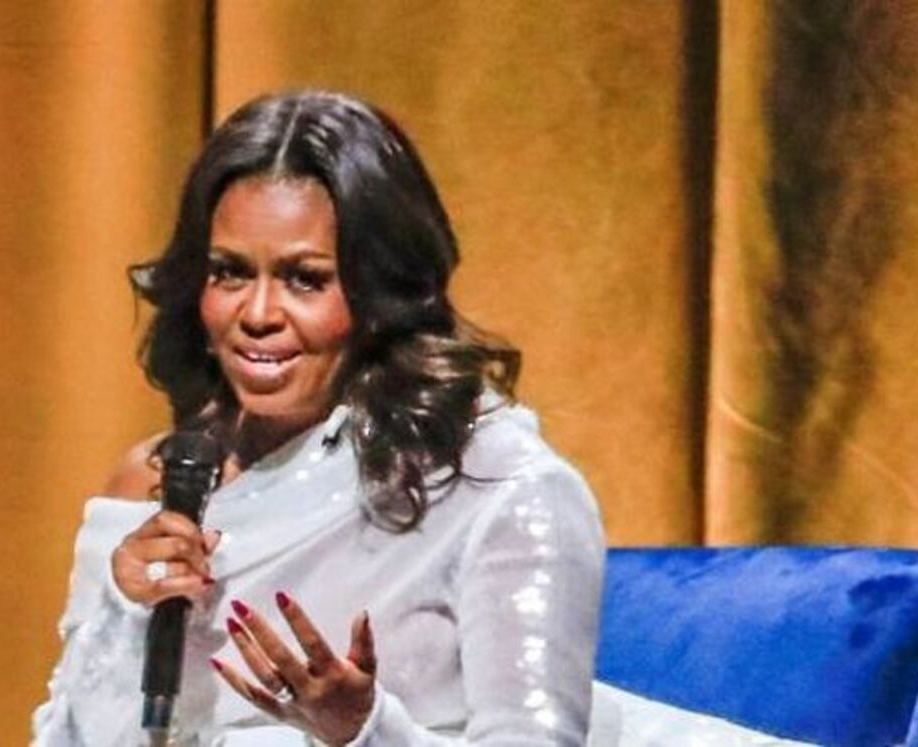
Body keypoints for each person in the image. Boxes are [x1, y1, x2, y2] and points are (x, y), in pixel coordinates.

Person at [32, 90, 605, 746]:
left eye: (305, 279)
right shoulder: (156, 481)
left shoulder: (500, 488)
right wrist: (127, 614)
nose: (257, 314)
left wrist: (362, 731)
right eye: (229, 273)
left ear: (382, 292)